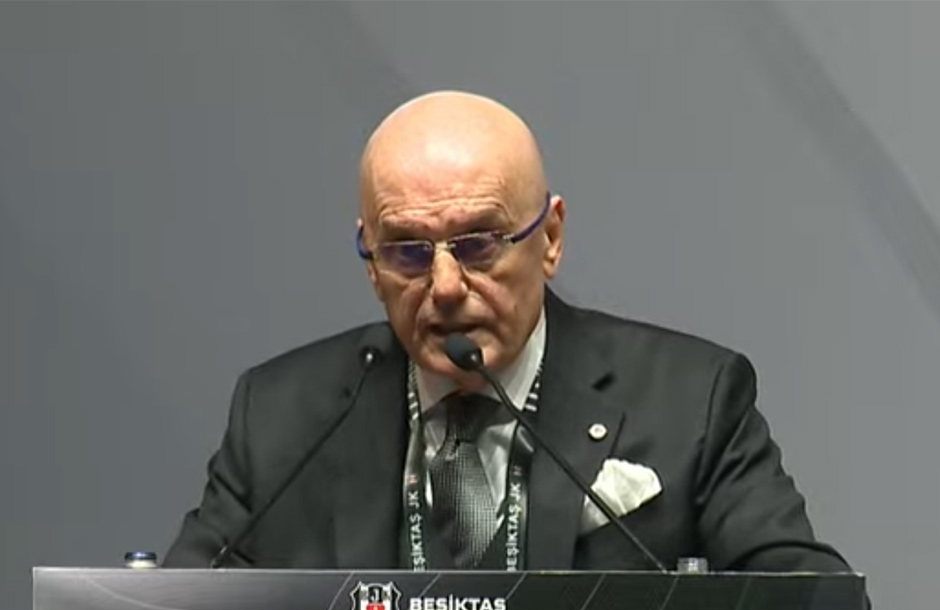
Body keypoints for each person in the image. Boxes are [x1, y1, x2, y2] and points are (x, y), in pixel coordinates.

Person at [164, 90, 851, 573]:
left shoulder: (690, 401)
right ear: (371, 262)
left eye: (478, 244)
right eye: (408, 251)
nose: (445, 286)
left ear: (549, 239)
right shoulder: (282, 417)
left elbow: (812, 603)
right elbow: (173, 607)